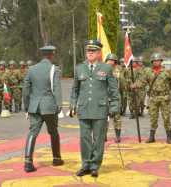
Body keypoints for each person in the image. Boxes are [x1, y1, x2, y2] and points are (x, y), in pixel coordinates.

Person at [69, 40, 119, 177]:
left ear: (98, 53)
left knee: (98, 139)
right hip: (84, 109)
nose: (90, 53)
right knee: (84, 138)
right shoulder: (79, 68)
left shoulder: (106, 68)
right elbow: (75, 89)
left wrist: (114, 106)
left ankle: (95, 165)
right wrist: (73, 104)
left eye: (93, 51)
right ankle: (85, 164)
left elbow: (114, 90)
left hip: (100, 109)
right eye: (88, 51)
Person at [22, 44, 64, 173]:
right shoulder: (54, 69)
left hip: (34, 107)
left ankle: (28, 162)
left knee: (32, 132)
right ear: (52, 55)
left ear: (42, 55)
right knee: (53, 132)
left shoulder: (31, 69)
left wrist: (27, 106)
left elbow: (25, 90)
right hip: (49, 107)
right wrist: (59, 105)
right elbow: (57, 89)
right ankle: (56, 158)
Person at [143, 53, 171, 144]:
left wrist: (170, 93)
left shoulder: (167, 72)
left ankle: (169, 137)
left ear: (161, 61)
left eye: (158, 60)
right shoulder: (148, 72)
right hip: (153, 98)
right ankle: (152, 137)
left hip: (164, 97)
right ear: (152, 62)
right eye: (155, 61)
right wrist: (135, 86)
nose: (157, 62)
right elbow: (143, 82)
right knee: (153, 118)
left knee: (166, 118)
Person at [105, 53, 122, 143]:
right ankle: (104, 135)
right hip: (104, 97)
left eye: (112, 61)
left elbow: (122, 82)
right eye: (109, 60)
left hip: (115, 96)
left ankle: (118, 136)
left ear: (115, 62)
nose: (110, 62)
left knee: (117, 117)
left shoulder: (119, 70)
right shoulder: (102, 69)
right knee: (104, 117)